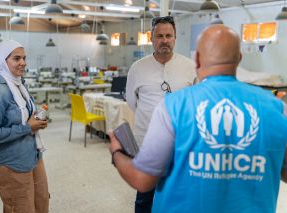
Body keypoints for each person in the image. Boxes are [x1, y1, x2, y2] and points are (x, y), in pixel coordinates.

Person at [109, 25, 287, 213]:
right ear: (239, 59)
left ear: (198, 59)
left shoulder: (173, 106)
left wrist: (117, 153)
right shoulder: (277, 108)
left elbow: (143, 180)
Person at [125, 16, 196, 212]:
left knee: (179, 194)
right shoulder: (137, 68)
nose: (164, 40)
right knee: (145, 195)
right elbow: (132, 102)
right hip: (147, 142)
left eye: (168, 36)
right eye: (159, 36)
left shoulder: (190, 67)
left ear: (174, 38)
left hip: (181, 142)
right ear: (151, 38)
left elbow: (197, 102)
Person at [0, 40, 49, 213]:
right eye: (16, 58)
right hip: (11, 163)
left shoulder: (19, 84)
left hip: (32, 155)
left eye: (24, 58)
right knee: (21, 208)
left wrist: (35, 118)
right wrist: (28, 127)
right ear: (2, 61)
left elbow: (22, 117)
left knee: (41, 202)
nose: (23, 63)